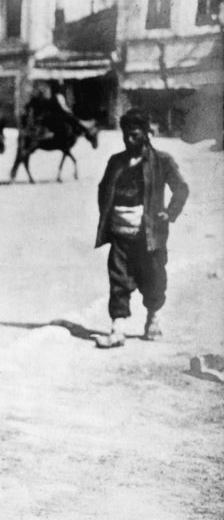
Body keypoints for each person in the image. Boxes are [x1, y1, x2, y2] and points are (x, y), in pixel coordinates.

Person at [93, 108, 189, 349]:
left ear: (146, 134)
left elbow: (181, 189)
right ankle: (117, 329)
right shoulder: (116, 162)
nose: (129, 140)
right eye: (125, 135)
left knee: (154, 277)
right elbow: (103, 189)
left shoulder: (162, 161)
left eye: (134, 135)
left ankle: (153, 320)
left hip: (150, 234)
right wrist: (109, 216)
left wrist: (169, 212)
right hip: (120, 233)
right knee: (118, 279)